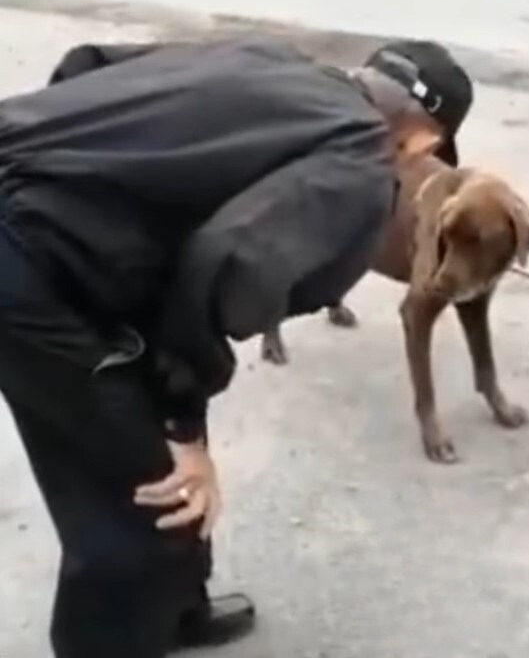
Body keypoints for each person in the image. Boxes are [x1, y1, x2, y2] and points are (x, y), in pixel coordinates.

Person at [0, 36, 474, 658]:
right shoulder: (359, 161)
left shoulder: (266, 59)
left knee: (168, 449)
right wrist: (182, 426)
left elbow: (87, 64)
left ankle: (175, 610)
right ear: (421, 142)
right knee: (152, 504)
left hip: (29, 203)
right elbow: (226, 267)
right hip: (28, 274)